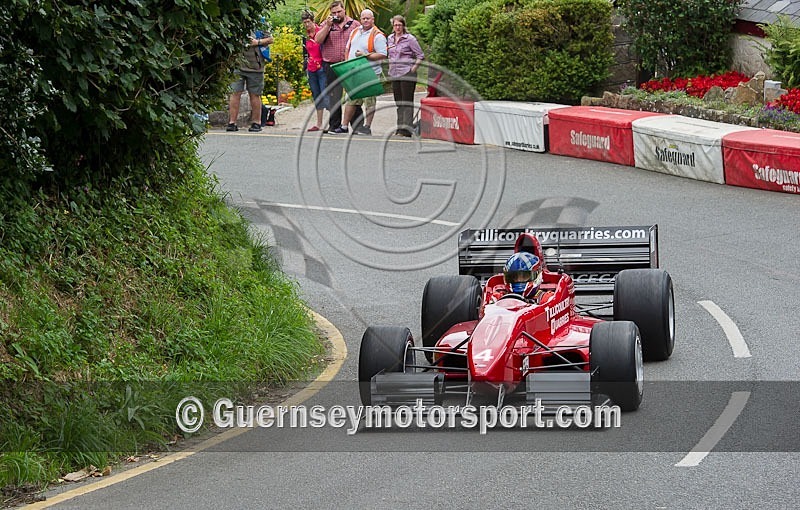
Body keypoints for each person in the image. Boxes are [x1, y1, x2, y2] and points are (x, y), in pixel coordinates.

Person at [334, 9, 387, 135]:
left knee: (369, 101)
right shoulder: (354, 32)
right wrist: (347, 65)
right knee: (351, 99)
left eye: (368, 18)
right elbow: (348, 49)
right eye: (363, 18)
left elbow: (383, 54)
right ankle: (344, 126)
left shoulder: (377, 35)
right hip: (355, 72)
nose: (365, 20)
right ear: (360, 19)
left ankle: (367, 127)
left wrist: (366, 55)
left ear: (373, 19)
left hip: (370, 73)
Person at [315, 1, 360, 133]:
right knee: (334, 96)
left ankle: (358, 126)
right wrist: (327, 26)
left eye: (338, 12)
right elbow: (317, 40)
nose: (336, 15)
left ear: (344, 10)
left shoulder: (354, 24)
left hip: (349, 64)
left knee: (354, 95)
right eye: (333, 13)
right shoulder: (327, 24)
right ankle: (334, 125)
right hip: (332, 65)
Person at [227, 24, 273, 132]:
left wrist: (257, 42)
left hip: (256, 66)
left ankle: (256, 123)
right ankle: (232, 122)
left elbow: (271, 39)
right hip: (238, 64)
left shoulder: (261, 22)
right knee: (235, 92)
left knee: (255, 94)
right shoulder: (236, 20)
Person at [387, 15, 424, 137]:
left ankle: (406, 129)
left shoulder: (410, 39)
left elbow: (420, 55)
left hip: (407, 72)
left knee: (407, 101)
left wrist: (413, 68)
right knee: (399, 102)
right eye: (395, 25)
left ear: (403, 26)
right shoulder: (390, 38)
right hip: (394, 73)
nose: (397, 27)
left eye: (399, 25)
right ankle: (399, 127)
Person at [302, 10, 328, 132]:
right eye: (304, 22)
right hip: (311, 68)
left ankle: (330, 122)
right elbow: (306, 52)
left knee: (325, 93)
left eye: (308, 22)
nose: (306, 25)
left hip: (322, 66)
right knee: (316, 95)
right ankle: (319, 123)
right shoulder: (305, 36)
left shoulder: (320, 32)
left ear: (313, 21)